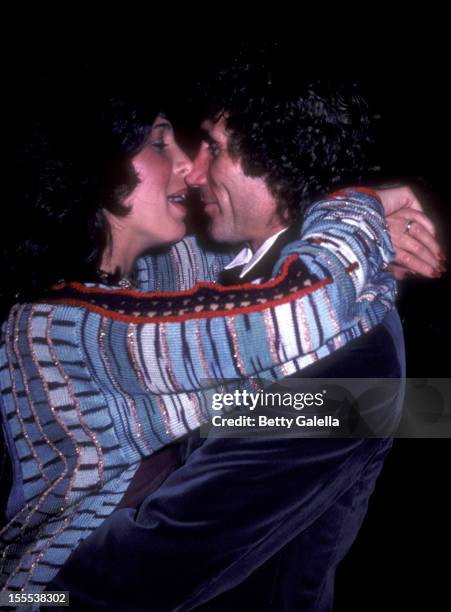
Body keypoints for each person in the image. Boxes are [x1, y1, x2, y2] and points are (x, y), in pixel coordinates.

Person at [41, 67, 441, 611]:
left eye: (212, 148)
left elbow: (159, 563)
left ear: (277, 160)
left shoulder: (349, 351)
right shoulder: (232, 276)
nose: (194, 173)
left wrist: (22, 590)